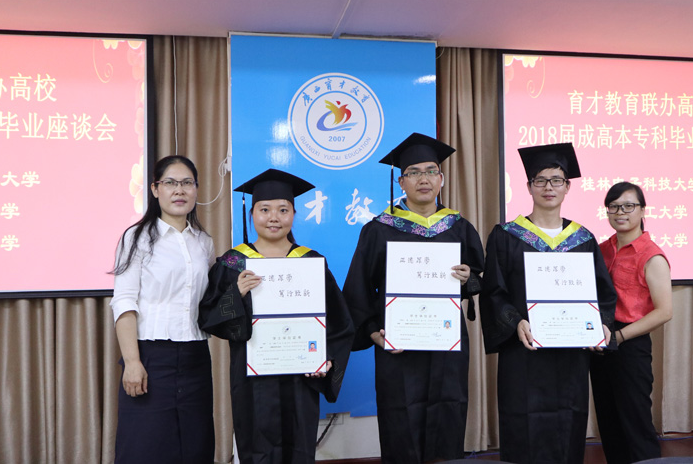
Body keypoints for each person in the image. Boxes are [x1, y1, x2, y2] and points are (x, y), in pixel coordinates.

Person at [342, 132, 485, 463]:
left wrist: (469, 279)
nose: (424, 179)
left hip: (447, 344)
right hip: (399, 347)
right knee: (400, 419)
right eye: (415, 172)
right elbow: (358, 289)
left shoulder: (459, 227)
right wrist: (373, 331)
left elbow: (480, 280)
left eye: (431, 171)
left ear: (441, 179)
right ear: (401, 182)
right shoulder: (379, 229)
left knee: (447, 415)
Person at [198, 168, 353, 464]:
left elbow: (339, 322)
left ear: (294, 214)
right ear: (252, 213)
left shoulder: (311, 262)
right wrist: (236, 293)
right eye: (265, 209)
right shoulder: (233, 264)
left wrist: (326, 358)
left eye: (283, 210)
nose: (274, 217)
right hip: (252, 380)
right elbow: (208, 317)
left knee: (299, 445)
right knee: (257, 445)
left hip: (300, 378)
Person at [479, 143, 617, 464]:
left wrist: (602, 325)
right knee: (522, 424)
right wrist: (515, 321)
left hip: (570, 356)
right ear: (529, 187)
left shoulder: (583, 239)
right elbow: (494, 291)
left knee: (568, 423)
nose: (548, 187)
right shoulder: (506, 236)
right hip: (524, 354)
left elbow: (603, 293)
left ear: (567, 187)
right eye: (540, 180)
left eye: (556, 180)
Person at [110, 155, 215, 464]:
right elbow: (124, 301)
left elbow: (210, 300)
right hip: (150, 358)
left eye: (187, 183)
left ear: (196, 189)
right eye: (170, 183)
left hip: (196, 357)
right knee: (145, 447)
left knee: (195, 447)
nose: (179, 190)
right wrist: (132, 362)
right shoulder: (137, 238)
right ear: (155, 189)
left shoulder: (204, 242)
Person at [590, 182, 672, 464]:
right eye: (613, 207)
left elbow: (664, 312)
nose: (620, 212)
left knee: (636, 424)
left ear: (642, 210)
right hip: (599, 344)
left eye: (628, 206)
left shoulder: (652, 256)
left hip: (630, 346)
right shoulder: (601, 249)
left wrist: (620, 337)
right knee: (609, 423)